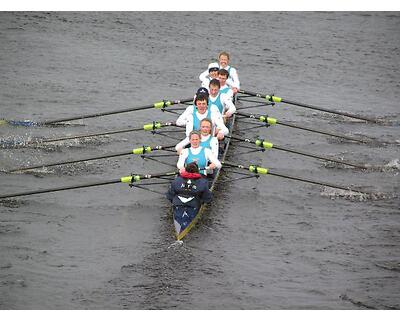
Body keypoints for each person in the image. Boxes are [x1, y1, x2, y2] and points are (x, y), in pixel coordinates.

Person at [166, 162, 212, 234]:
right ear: (197, 171)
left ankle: (179, 232)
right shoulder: (203, 182)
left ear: (185, 170)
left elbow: (169, 196)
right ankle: (184, 231)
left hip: (178, 204)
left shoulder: (177, 180)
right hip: (193, 204)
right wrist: (203, 202)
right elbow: (208, 198)